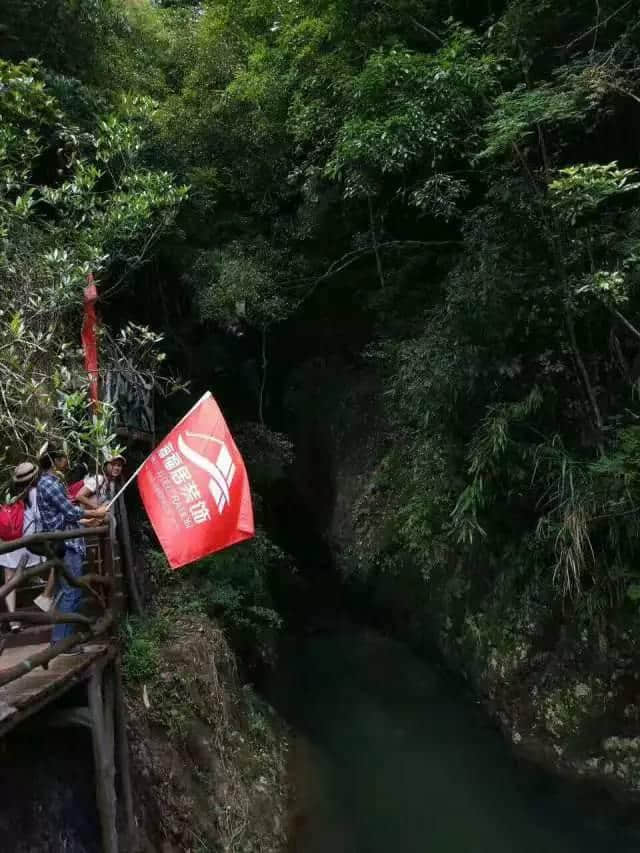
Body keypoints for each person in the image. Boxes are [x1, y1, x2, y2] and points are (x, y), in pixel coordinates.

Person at [36, 444, 108, 645]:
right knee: (72, 591)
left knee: (65, 591)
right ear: (54, 461)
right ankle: (61, 642)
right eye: (63, 458)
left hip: (64, 541)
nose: (66, 461)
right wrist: (96, 513)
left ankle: (60, 640)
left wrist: (86, 520)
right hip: (67, 544)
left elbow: (63, 514)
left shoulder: (49, 482)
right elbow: (70, 512)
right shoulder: (49, 484)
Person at [0, 462, 45, 632]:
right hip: (26, 542)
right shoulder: (34, 493)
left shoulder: (11, 493)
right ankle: (46, 602)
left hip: (9, 542)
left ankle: (12, 620)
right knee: (52, 562)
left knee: (10, 580)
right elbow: (38, 516)